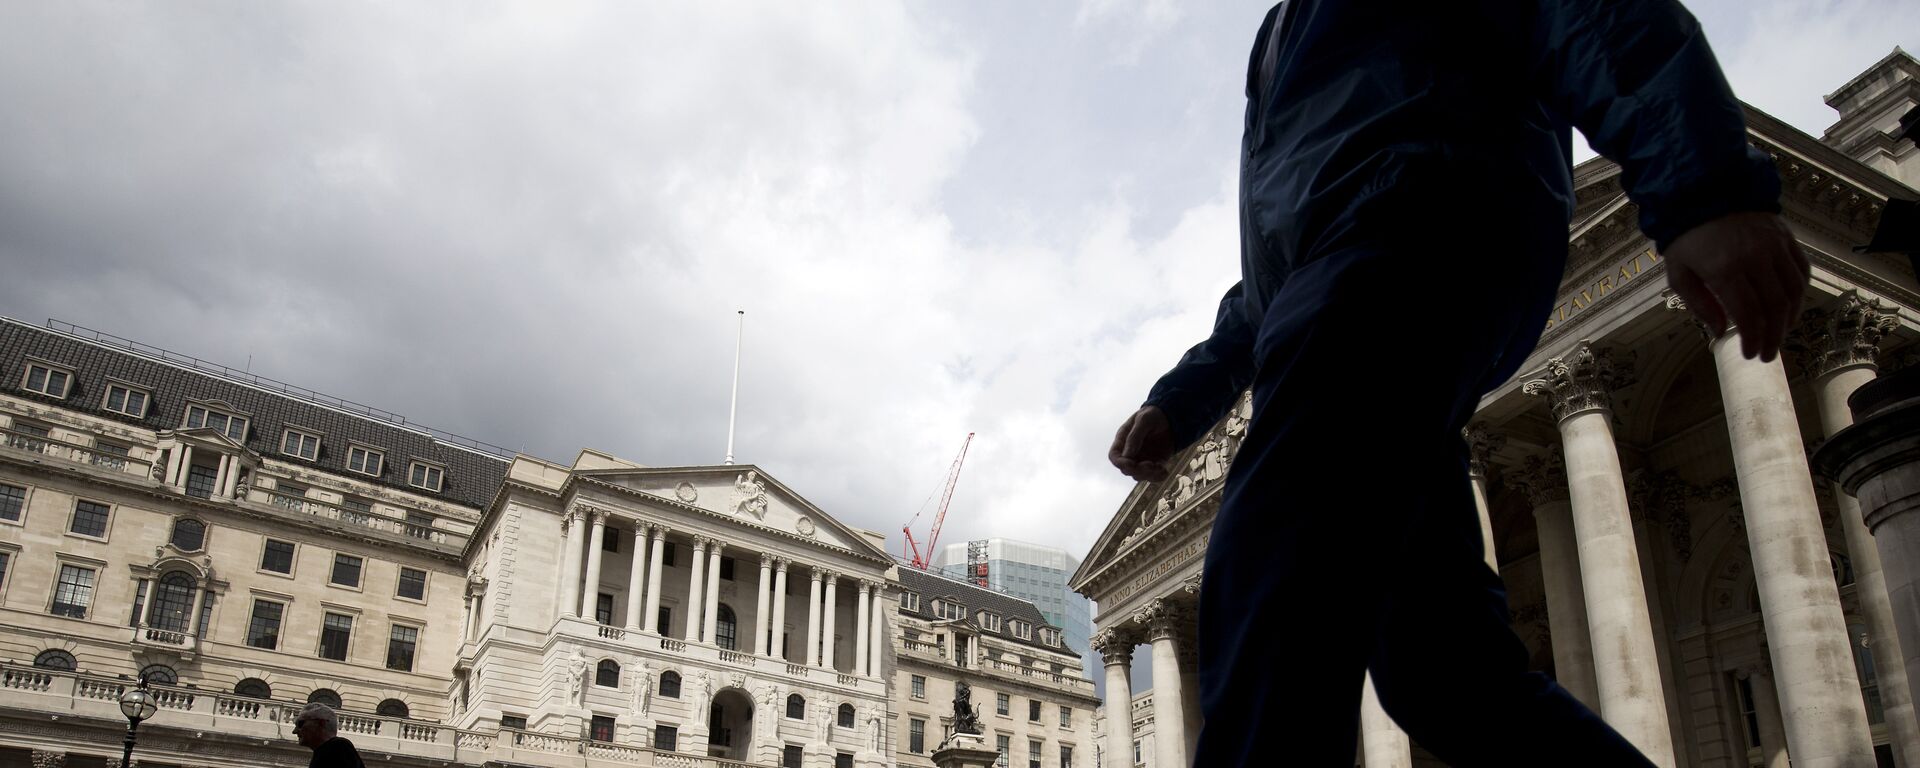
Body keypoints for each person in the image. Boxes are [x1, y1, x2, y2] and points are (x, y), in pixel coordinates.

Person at [1107, 0, 1807, 765]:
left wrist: (1704, 187)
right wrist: (1183, 396)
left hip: (1415, 221)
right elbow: (1280, 258)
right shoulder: (1277, 36)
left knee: (1270, 564)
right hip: (1351, 279)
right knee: (1441, 671)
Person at [293, 703, 367, 768]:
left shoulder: (339, 747)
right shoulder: (329, 750)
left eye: (300, 724)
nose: (295, 731)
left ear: (321, 723)